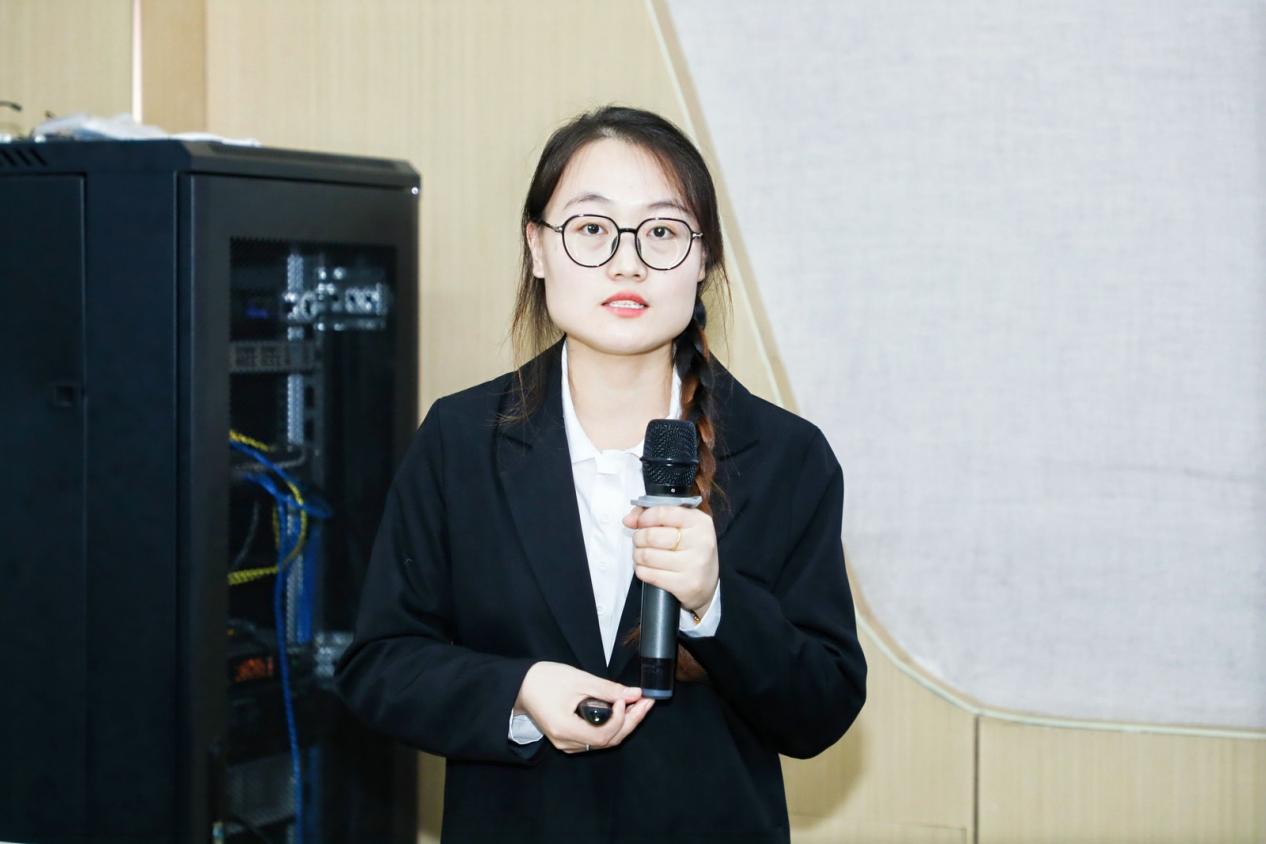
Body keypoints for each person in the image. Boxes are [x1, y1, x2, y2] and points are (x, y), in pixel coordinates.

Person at [335, 105, 866, 844]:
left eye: (662, 232)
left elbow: (822, 709)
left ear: (704, 259)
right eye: (591, 228)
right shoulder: (461, 440)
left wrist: (715, 603)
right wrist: (521, 692)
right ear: (537, 248)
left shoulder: (786, 456)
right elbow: (380, 666)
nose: (627, 263)